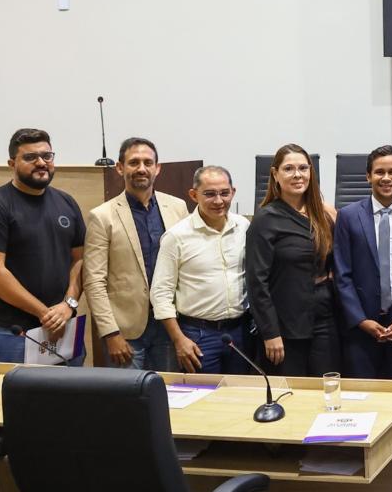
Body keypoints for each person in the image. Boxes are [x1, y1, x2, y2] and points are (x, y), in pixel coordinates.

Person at [0, 128, 85, 364]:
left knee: (73, 388)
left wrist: (68, 305)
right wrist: (44, 313)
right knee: (20, 390)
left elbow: (80, 259)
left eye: (47, 156)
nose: (41, 163)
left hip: (64, 323)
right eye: (30, 157)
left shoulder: (66, 202)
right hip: (14, 332)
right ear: (12, 163)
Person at [83, 137, 189, 370]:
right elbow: (94, 281)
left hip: (169, 326)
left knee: (167, 390)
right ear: (120, 168)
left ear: (157, 168)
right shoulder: (102, 216)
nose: (141, 168)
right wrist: (110, 333)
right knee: (127, 392)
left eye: (147, 163)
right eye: (133, 162)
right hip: (125, 332)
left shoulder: (178, 207)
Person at [333, 145, 392, 380]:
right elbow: (342, 274)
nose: (386, 178)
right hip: (360, 330)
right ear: (368, 176)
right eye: (379, 172)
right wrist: (360, 320)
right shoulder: (348, 216)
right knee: (362, 396)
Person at [246, 144, 340, 376]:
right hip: (285, 325)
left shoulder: (325, 214)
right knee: (291, 391)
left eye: (303, 168)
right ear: (275, 174)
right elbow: (257, 282)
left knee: (327, 386)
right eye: (288, 169)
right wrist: (270, 332)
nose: (297, 175)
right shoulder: (265, 219)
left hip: (324, 320)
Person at [151, 166, 252, 374]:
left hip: (240, 333)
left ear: (233, 192)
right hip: (198, 335)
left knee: (241, 391)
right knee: (203, 393)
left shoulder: (243, 226)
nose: (218, 200)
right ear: (193, 195)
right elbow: (160, 293)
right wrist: (179, 339)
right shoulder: (176, 236)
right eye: (209, 194)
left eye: (224, 193)